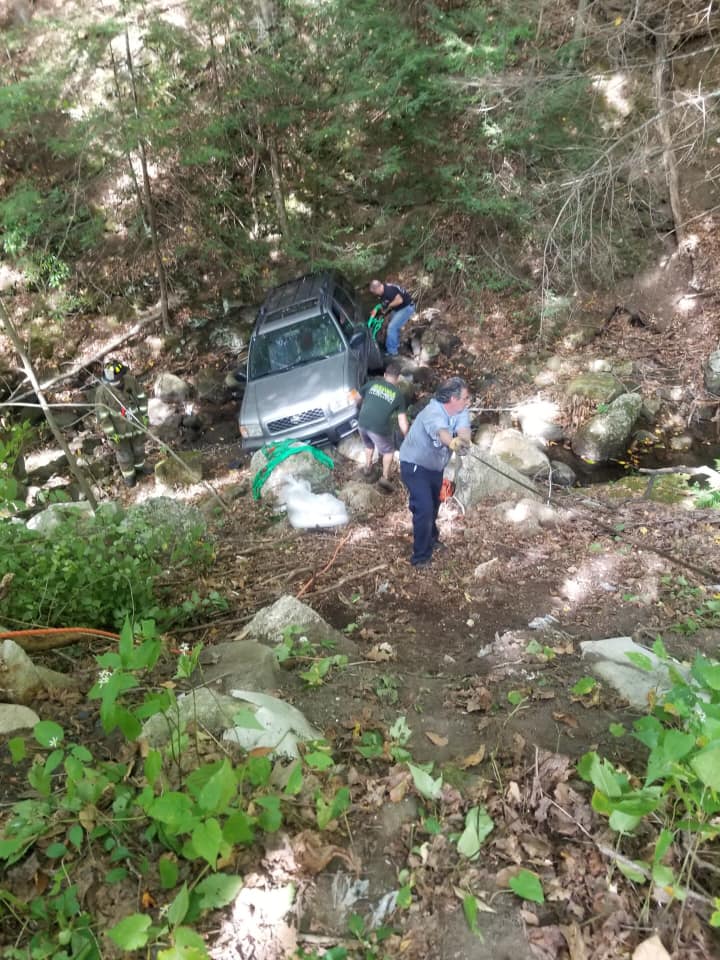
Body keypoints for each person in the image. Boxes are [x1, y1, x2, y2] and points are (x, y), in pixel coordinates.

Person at [399, 377, 471, 567]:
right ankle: (420, 557)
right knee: (423, 507)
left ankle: (431, 538)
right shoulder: (433, 411)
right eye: (465, 397)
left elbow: (464, 430)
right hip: (414, 464)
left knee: (433, 504)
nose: (468, 401)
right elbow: (442, 433)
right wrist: (452, 442)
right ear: (453, 399)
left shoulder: (461, 410)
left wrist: (463, 442)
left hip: (435, 466)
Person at [94, 359, 150, 487]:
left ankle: (140, 466)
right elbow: (103, 417)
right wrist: (112, 434)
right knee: (124, 455)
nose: (116, 383)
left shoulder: (131, 381)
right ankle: (129, 475)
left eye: (118, 380)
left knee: (139, 448)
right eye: (113, 381)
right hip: (118, 431)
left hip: (136, 424)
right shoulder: (102, 392)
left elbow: (142, 398)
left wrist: (144, 416)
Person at [357, 360, 409, 490]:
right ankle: (385, 478)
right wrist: (407, 436)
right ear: (397, 378)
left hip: (362, 423)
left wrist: (362, 407)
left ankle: (367, 468)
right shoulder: (398, 395)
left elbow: (356, 397)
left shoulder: (372, 384)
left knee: (368, 445)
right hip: (378, 428)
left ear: (385, 375)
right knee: (389, 451)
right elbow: (402, 420)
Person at [368, 279, 415, 357]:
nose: (374, 294)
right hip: (399, 308)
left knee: (392, 327)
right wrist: (376, 310)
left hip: (407, 307)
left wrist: (389, 305)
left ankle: (392, 352)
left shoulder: (389, 290)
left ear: (377, 288)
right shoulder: (383, 291)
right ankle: (396, 344)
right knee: (393, 325)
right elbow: (384, 304)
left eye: (374, 292)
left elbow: (399, 300)